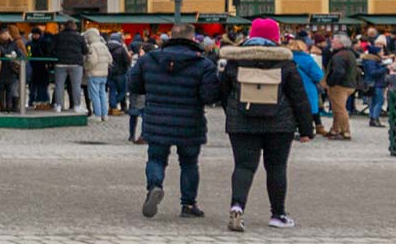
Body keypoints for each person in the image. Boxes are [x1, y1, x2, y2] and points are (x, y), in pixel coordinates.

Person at [217, 18, 317, 231]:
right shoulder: (286, 63)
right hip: (279, 124)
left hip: (242, 123)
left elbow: (223, 93)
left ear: (251, 35)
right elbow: (299, 97)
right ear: (275, 37)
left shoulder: (235, 61)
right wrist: (306, 129)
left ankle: (237, 205)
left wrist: (233, 113)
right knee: (276, 168)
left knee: (243, 166)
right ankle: (278, 214)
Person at [127, 23, 220, 219]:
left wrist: (153, 89)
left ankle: (154, 186)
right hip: (189, 121)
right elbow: (209, 96)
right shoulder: (203, 64)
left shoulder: (149, 60)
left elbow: (133, 84)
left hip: (156, 118)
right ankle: (188, 204)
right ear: (193, 39)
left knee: (156, 158)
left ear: (170, 36)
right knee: (189, 163)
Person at [322, 33, 359, 141]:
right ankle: (335, 129)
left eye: (334, 42)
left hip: (340, 86)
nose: (331, 43)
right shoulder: (349, 53)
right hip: (349, 84)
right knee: (337, 108)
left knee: (339, 109)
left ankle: (345, 131)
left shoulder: (340, 56)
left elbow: (338, 72)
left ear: (340, 43)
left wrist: (331, 82)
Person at [289, 39, 326, 135]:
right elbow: (318, 75)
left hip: (290, 87)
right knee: (311, 108)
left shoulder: (287, 59)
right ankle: (312, 128)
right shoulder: (308, 59)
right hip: (308, 87)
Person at [82, 24, 113, 121]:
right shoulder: (104, 46)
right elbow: (110, 59)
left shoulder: (92, 47)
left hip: (94, 74)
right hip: (104, 74)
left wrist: (86, 67)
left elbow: (92, 61)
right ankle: (105, 115)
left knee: (94, 95)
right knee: (102, 94)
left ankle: (98, 115)